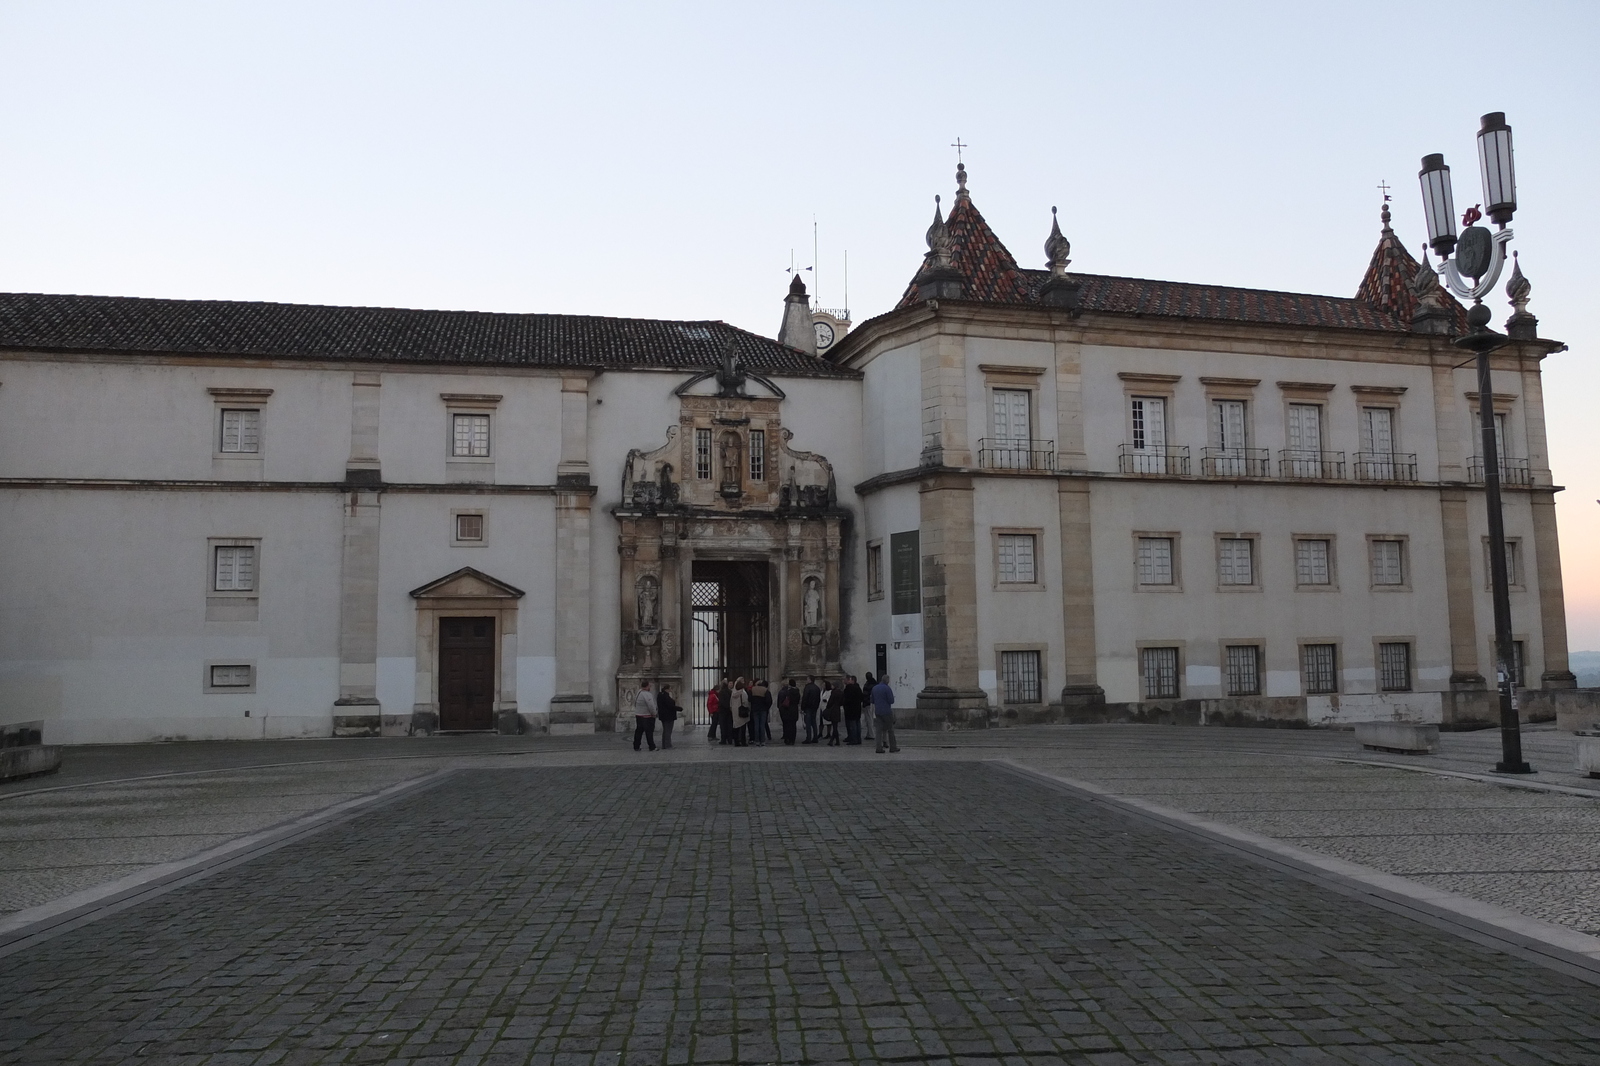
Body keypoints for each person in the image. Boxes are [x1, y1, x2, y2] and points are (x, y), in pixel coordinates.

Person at [871, 676, 899, 753]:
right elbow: (891, 700)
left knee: (878, 730)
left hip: (878, 711)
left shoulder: (874, 688)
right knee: (890, 729)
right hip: (886, 711)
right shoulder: (887, 688)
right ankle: (893, 747)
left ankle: (878, 748)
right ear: (887, 681)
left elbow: (872, 700)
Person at [633, 680, 657, 752]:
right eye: (649, 686)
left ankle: (636, 746)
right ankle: (652, 746)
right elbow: (651, 706)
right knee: (649, 732)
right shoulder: (647, 694)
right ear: (647, 686)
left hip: (638, 715)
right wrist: (654, 713)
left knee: (638, 732)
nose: (650, 687)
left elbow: (635, 703)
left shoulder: (638, 692)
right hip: (646, 716)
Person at [840, 675, 864, 745]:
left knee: (852, 725)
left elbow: (845, 700)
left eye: (844, 680)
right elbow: (862, 697)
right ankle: (858, 739)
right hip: (857, 708)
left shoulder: (848, 689)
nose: (843, 681)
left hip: (850, 709)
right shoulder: (857, 688)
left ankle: (853, 739)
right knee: (857, 724)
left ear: (848, 680)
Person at [777, 678, 800, 745]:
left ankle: (788, 739)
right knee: (793, 725)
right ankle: (793, 739)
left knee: (788, 725)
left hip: (788, 709)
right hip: (795, 709)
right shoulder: (797, 692)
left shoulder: (788, 692)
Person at [656, 684, 680, 749]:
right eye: (670, 688)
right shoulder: (665, 696)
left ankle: (665, 744)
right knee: (668, 731)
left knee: (665, 730)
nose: (671, 690)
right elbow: (669, 706)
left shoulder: (661, 695)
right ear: (667, 689)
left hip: (664, 715)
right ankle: (667, 745)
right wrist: (678, 708)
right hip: (668, 716)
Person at [749, 679, 772, 746]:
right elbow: (769, 701)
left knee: (756, 725)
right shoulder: (765, 690)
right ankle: (762, 740)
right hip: (763, 709)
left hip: (755, 709)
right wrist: (766, 707)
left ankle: (757, 740)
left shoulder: (753, 690)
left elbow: (749, 699)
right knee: (762, 725)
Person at [730, 678, 751, 746]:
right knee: (743, 727)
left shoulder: (733, 693)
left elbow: (730, 703)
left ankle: (736, 742)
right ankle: (743, 741)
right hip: (741, 711)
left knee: (736, 727)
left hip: (735, 711)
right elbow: (745, 702)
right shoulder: (743, 692)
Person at [801, 675, 822, 743]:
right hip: (814, 707)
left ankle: (808, 738)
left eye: (807, 679)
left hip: (808, 707)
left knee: (808, 723)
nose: (806, 680)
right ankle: (815, 737)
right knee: (814, 723)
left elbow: (805, 698)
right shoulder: (817, 688)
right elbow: (819, 699)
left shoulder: (807, 688)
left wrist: (802, 707)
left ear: (810, 680)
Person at [821, 680, 842, 746]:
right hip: (837, 709)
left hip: (833, 710)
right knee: (835, 725)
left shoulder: (834, 692)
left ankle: (832, 741)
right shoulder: (841, 692)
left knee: (835, 726)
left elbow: (830, 701)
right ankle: (837, 741)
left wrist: (827, 707)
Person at [716, 677, 734, 745]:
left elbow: (721, 702)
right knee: (729, 726)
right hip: (729, 711)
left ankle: (723, 739)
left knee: (723, 726)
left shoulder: (721, 692)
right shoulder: (730, 692)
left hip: (722, 711)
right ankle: (729, 739)